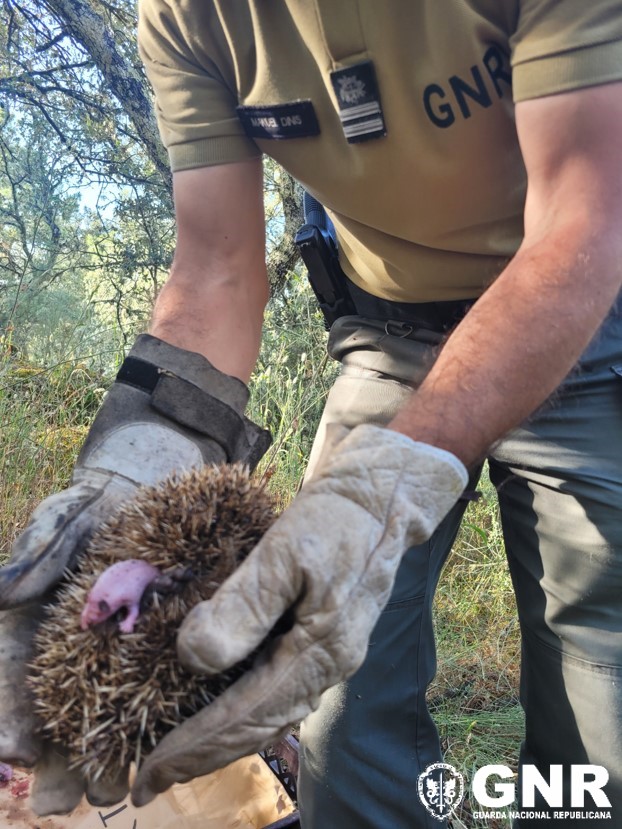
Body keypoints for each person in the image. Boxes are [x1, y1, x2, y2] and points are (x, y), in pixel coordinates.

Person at [1, 2, 622, 827]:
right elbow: (217, 269)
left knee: (599, 699)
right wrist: (129, 471)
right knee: (327, 684)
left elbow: (582, 217)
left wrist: (385, 485)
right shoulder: (186, 15)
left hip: (584, 314)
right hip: (386, 337)